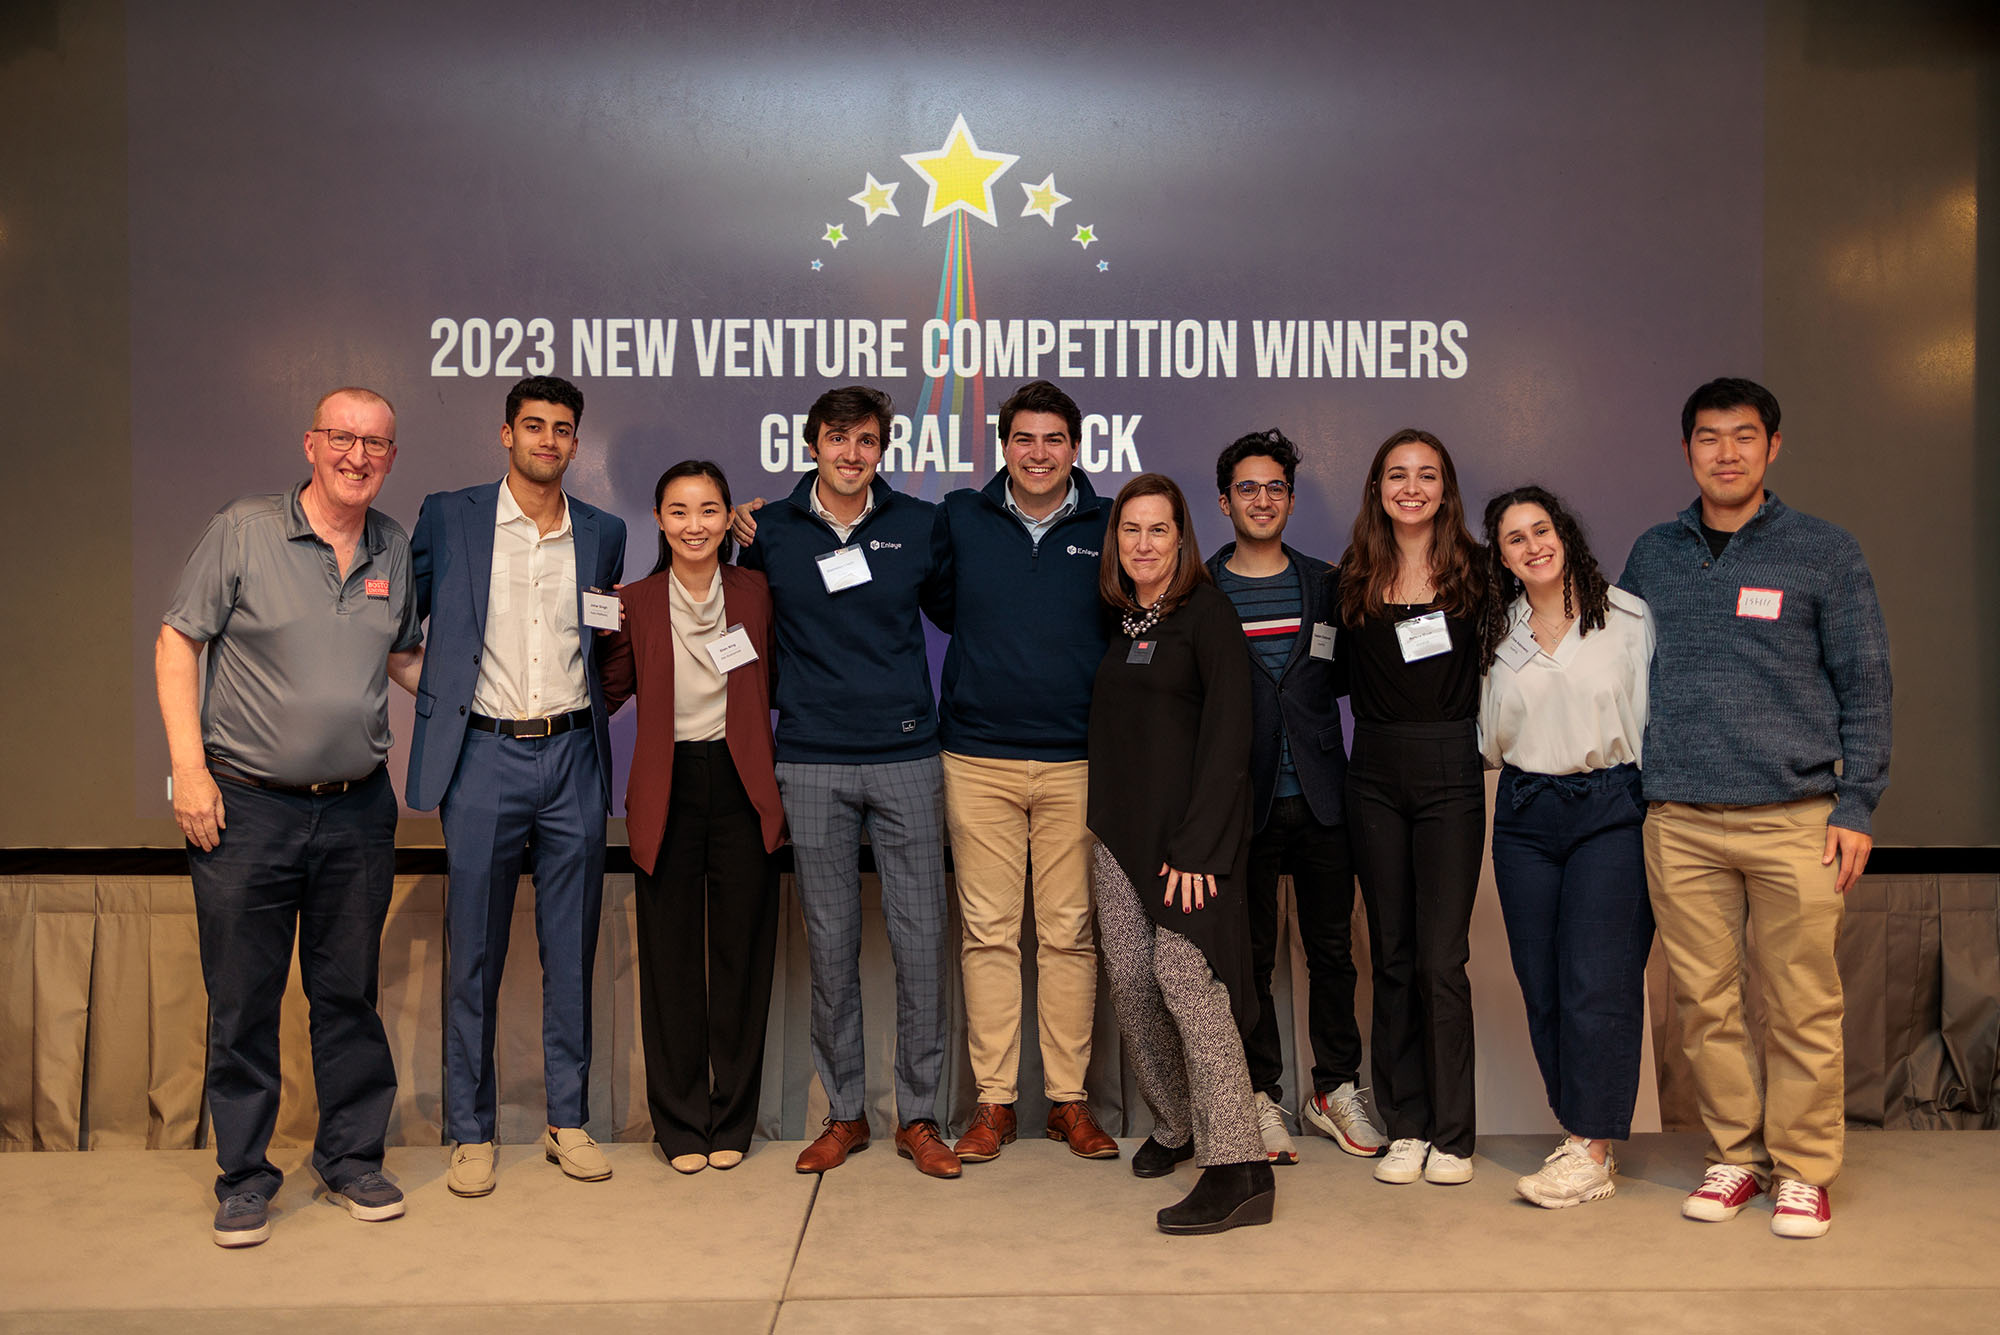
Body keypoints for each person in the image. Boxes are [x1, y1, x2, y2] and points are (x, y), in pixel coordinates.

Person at [1621, 378, 1890, 1239]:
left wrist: (1859, 802)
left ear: (1773, 447)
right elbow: (1616, 667)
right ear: (1688, 449)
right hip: (1681, 819)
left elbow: (1868, 684)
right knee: (1704, 1001)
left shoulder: (1824, 551)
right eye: (1709, 437)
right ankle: (1736, 1153)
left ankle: (1805, 1168)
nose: (1726, 452)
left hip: (1798, 817)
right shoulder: (1654, 554)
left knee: (1802, 998)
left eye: (1744, 436)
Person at [156, 386, 422, 1247]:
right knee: (243, 1000)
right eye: (343, 438)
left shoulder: (394, 544)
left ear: (391, 455)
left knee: (347, 994)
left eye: (375, 444)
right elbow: (176, 641)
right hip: (246, 811)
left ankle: (349, 1159)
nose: (358, 456)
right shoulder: (244, 528)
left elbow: (407, 657)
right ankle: (244, 1175)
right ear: (311, 444)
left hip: (356, 811)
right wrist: (189, 771)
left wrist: (504, 693)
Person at [406, 375, 628, 1198]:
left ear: (575, 443)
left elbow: (603, 641)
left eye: (562, 428)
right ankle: (472, 1129)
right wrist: (437, 702)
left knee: (570, 951)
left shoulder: (604, 532)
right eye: (533, 426)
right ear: (506, 434)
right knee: (477, 953)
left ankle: (567, 1122)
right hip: (482, 758)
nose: (548, 440)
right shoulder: (451, 516)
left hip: (573, 756)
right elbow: (399, 629)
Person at [731, 385, 961, 1179]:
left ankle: (922, 1115)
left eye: (867, 441)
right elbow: (728, 615)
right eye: (838, 439)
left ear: (882, 449)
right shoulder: (768, 532)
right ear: (812, 445)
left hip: (907, 755)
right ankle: (848, 1113)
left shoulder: (918, 526)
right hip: (810, 757)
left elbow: (963, 615)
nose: (852, 454)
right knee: (829, 947)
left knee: (922, 942)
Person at [928, 379, 1120, 1165]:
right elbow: (941, 604)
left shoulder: (1111, 524)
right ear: (1002, 446)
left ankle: (1068, 1103)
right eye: (1024, 439)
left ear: (1076, 448)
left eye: (1054, 440)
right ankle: (996, 1103)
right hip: (978, 757)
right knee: (988, 935)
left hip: (1080, 759)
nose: (1039, 454)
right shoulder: (959, 518)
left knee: (1072, 935)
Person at [1087, 472, 1273, 1235]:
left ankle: (1238, 1166)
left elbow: (1232, 737)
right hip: (1119, 836)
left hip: (1190, 843)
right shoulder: (1125, 620)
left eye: (1158, 529)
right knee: (1131, 978)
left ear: (1183, 536)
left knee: (1184, 976)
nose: (1143, 542)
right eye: (1130, 529)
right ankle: (1179, 1121)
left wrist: (1200, 847)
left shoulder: (1209, 616)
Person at [1206, 429, 1383, 1163]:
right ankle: (1256, 1093)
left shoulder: (1327, 583)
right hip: (1239, 805)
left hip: (1321, 799)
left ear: (1290, 497)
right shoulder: (1200, 589)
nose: (1262, 499)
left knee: (1334, 952)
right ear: (1224, 502)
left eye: (1274, 486)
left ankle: (1335, 1088)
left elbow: (1338, 681)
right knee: (1247, 958)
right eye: (1247, 487)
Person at [601, 461, 784, 1175]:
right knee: (671, 959)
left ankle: (731, 1117)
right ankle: (679, 1124)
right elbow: (611, 689)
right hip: (668, 784)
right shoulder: (636, 601)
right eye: (679, 510)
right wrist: (594, 628)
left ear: (728, 517)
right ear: (658, 520)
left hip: (741, 783)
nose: (695, 524)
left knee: (741, 958)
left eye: (710, 509)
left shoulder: (757, 590)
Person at [1476, 485, 1656, 1208]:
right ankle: (1578, 1130)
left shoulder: (1631, 617)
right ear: (1501, 556)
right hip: (1524, 811)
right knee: (1543, 980)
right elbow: (1485, 734)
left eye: (1540, 529)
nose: (1531, 545)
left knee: (1598, 979)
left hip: (1611, 804)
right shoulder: (1496, 630)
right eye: (1513, 538)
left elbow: (1657, 719)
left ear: (1565, 532)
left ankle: (1591, 1144)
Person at [1336, 428, 1486, 1187]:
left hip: (1453, 770)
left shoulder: (1480, 573)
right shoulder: (1354, 576)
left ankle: (1455, 1135)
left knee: (1441, 959)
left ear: (1445, 488)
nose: (1412, 487)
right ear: (1378, 488)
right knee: (1390, 954)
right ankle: (1408, 1127)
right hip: (1373, 771)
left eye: (1428, 475)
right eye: (1397, 474)